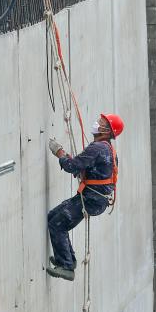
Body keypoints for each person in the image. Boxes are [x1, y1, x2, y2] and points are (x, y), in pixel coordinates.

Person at [45, 113, 123, 281]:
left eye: (102, 122)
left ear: (107, 131)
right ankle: (66, 259)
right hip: (93, 197)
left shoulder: (97, 148)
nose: (98, 123)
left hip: (91, 200)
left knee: (57, 224)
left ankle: (66, 267)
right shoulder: (107, 148)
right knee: (52, 216)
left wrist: (60, 153)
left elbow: (72, 166)